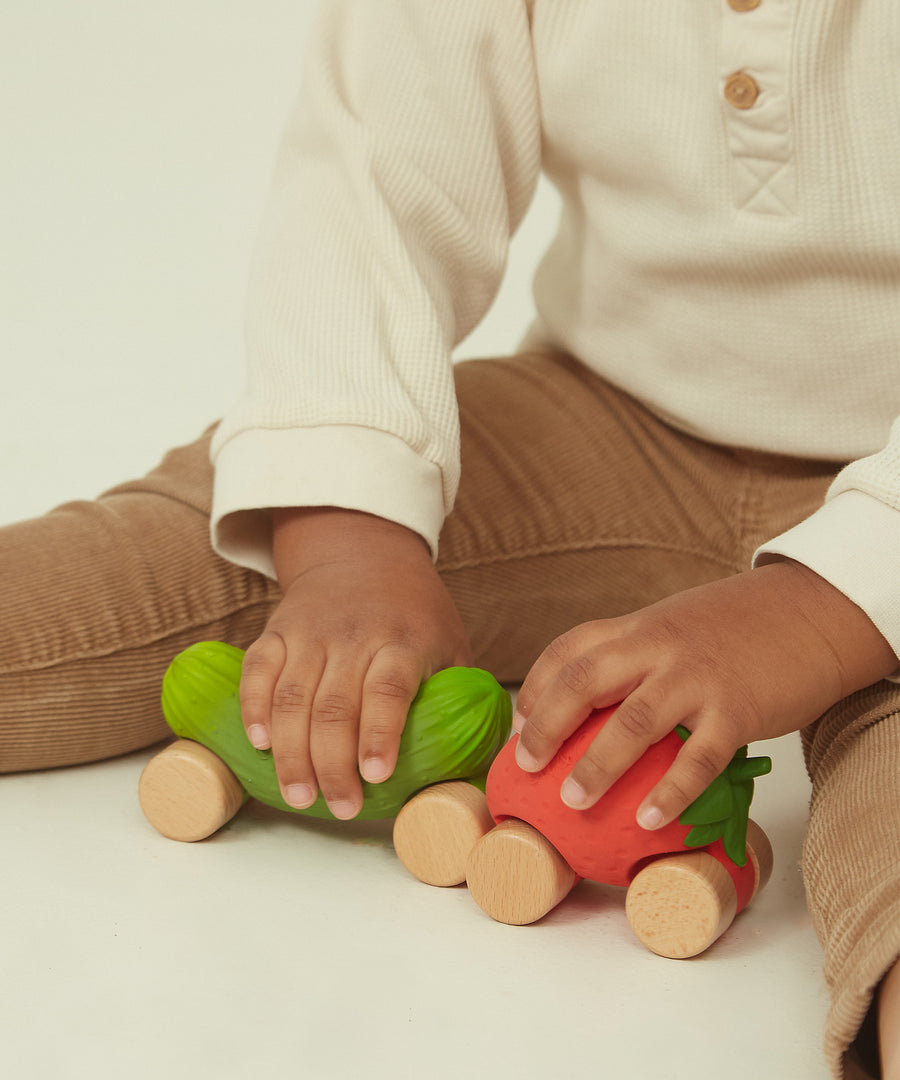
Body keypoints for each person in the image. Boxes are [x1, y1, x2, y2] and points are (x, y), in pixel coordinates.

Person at [2, 3, 899, 1076]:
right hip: (609, 416)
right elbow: (372, 177)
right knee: (128, 572)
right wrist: (348, 532)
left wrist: (829, 601)